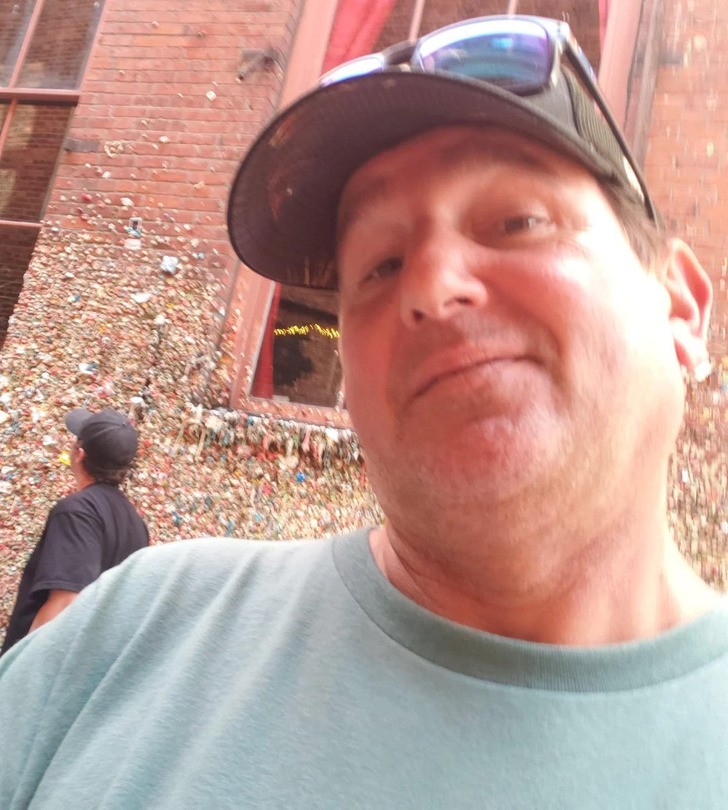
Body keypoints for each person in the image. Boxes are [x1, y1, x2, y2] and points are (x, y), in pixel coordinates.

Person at [1, 15, 726, 808]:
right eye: (379, 265)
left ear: (681, 307)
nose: (431, 287)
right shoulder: (130, 636)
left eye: (517, 221)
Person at [0, 408, 149, 655]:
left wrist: (20, 667)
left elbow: (66, 601)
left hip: (46, 666)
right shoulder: (136, 524)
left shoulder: (77, 513)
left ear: (79, 454)